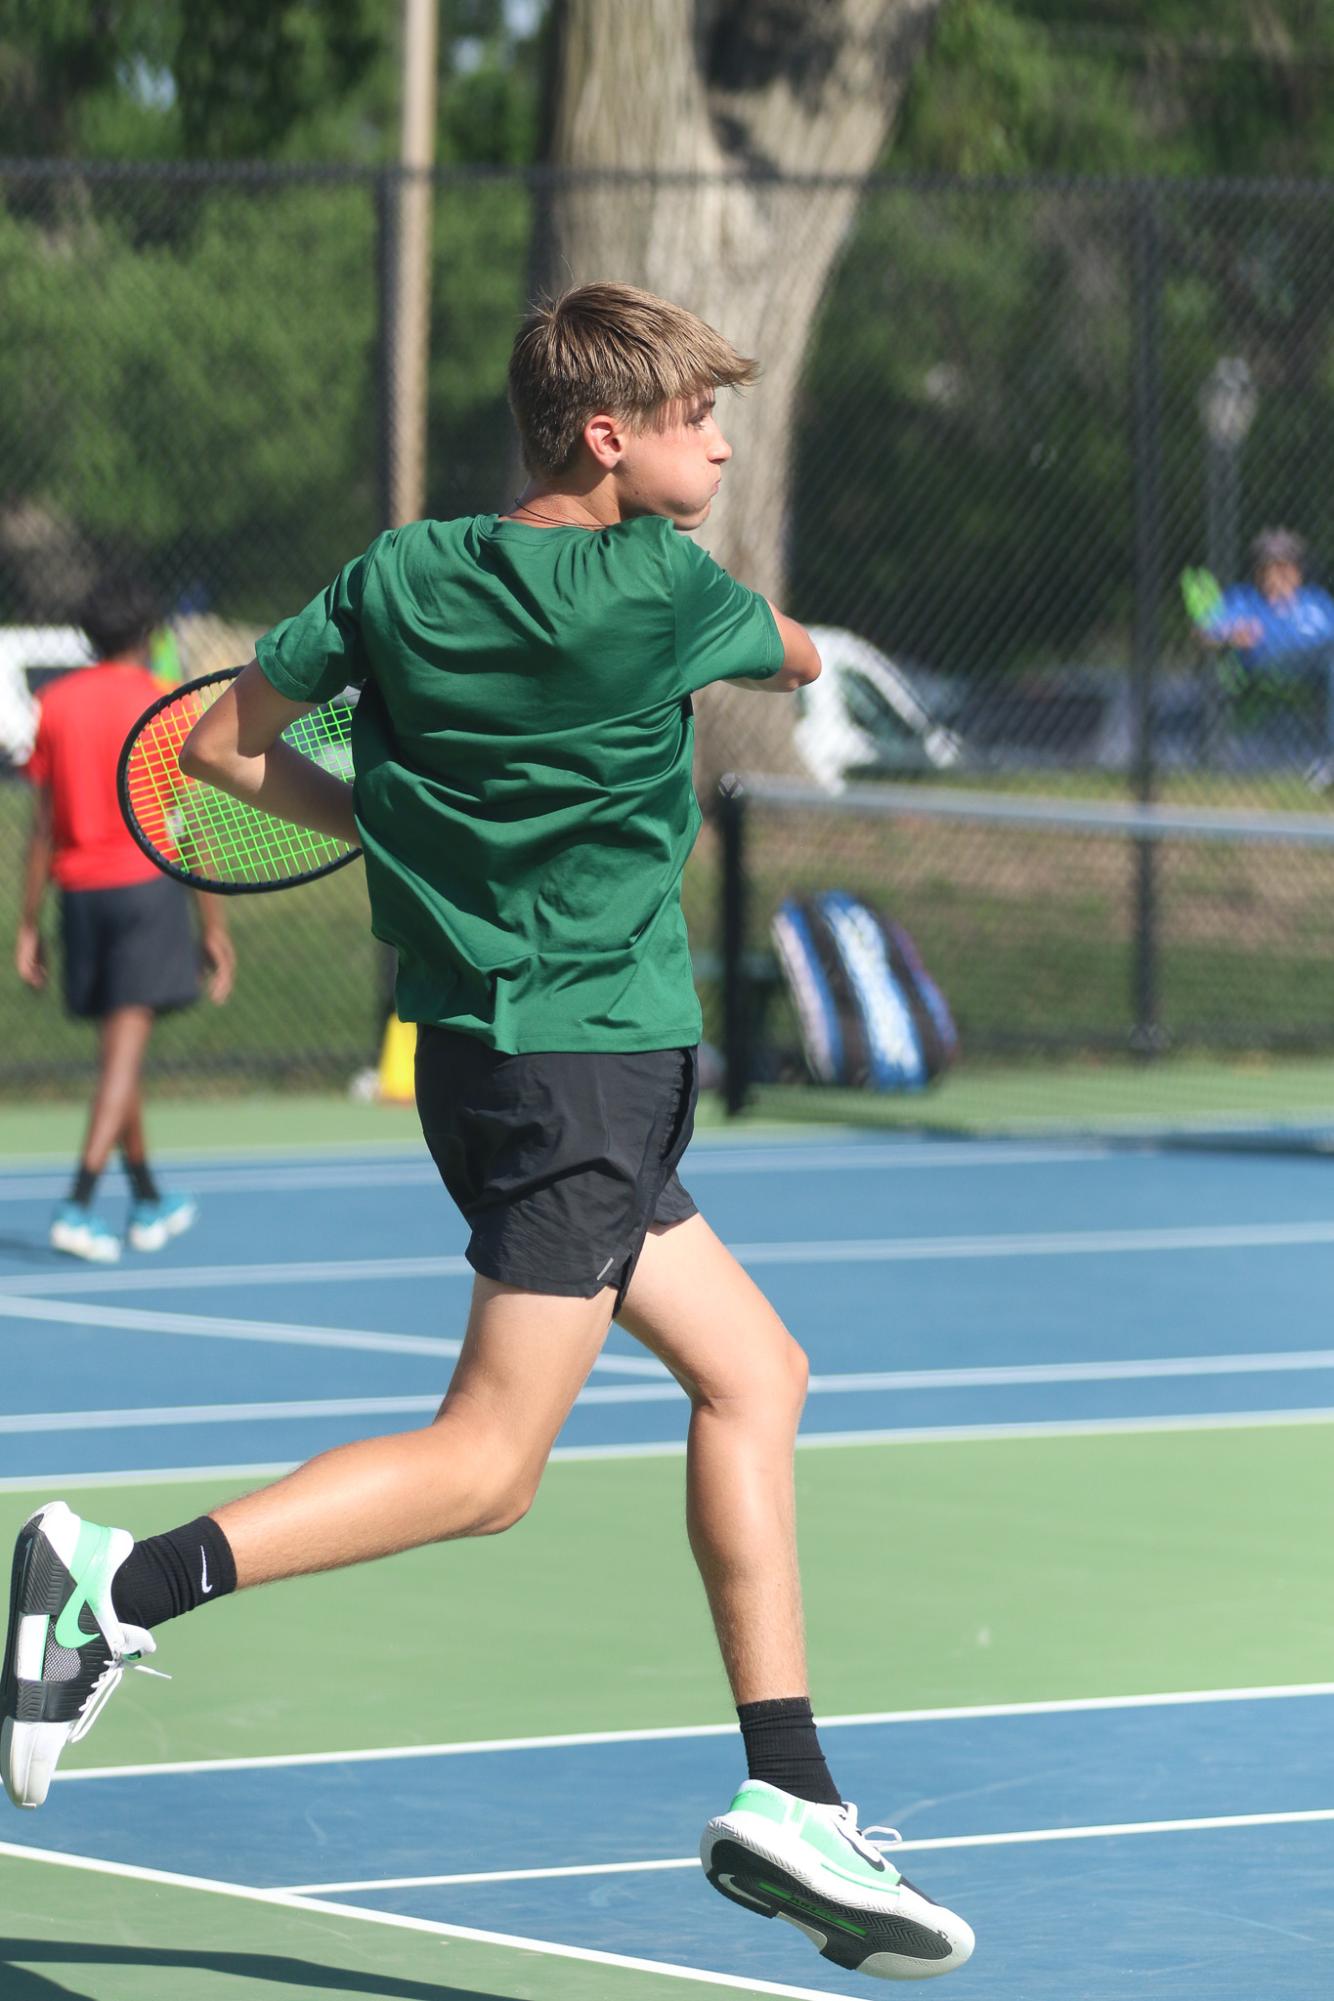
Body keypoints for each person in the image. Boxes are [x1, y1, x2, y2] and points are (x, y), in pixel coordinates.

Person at [0, 286, 974, 1982]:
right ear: (609, 439)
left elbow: (224, 744)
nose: (720, 444)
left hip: (489, 1062)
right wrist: (792, 637)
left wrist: (391, 819)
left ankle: (789, 1790)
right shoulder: (673, 593)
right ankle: (112, 1586)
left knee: (756, 1373)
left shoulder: (398, 573)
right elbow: (796, 656)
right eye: (694, 421)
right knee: (486, 1466)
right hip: (586, 1069)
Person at [14, 579, 235, 1263]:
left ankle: (146, 1197)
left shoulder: (54, 703)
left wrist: (28, 923)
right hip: (144, 891)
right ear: (147, 635)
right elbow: (186, 824)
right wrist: (214, 928)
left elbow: (44, 825)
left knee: (119, 1052)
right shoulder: (163, 703)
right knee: (122, 1053)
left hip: (79, 897)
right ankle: (78, 1203)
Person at [1194, 527, 1334, 777]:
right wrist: (1231, 635)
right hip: (1267, 665)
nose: (1279, 574)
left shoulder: (1316, 600)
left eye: (1286, 566)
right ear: (1258, 572)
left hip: (1318, 667)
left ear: (1298, 570)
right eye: (1270, 567)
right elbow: (1203, 633)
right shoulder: (1243, 599)